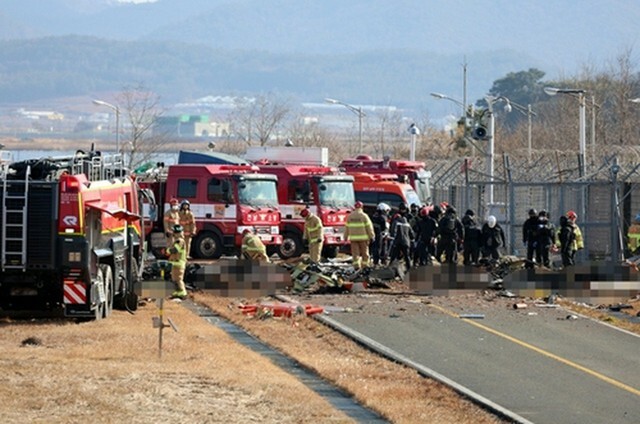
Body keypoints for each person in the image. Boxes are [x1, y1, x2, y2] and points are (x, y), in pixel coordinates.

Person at [344, 201, 375, 269]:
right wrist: (372, 236)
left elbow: (346, 228)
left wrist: (345, 237)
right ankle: (365, 266)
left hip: (353, 239)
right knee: (365, 253)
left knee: (355, 254)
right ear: (361, 207)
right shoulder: (364, 216)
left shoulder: (350, 216)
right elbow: (369, 227)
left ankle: (356, 266)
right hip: (363, 239)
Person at [167, 224, 188, 299]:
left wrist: (167, 251)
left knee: (178, 279)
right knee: (175, 279)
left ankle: (183, 293)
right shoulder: (177, 240)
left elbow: (175, 250)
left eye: (173, 232)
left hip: (179, 263)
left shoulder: (179, 241)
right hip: (176, 263)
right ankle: (177, 292)